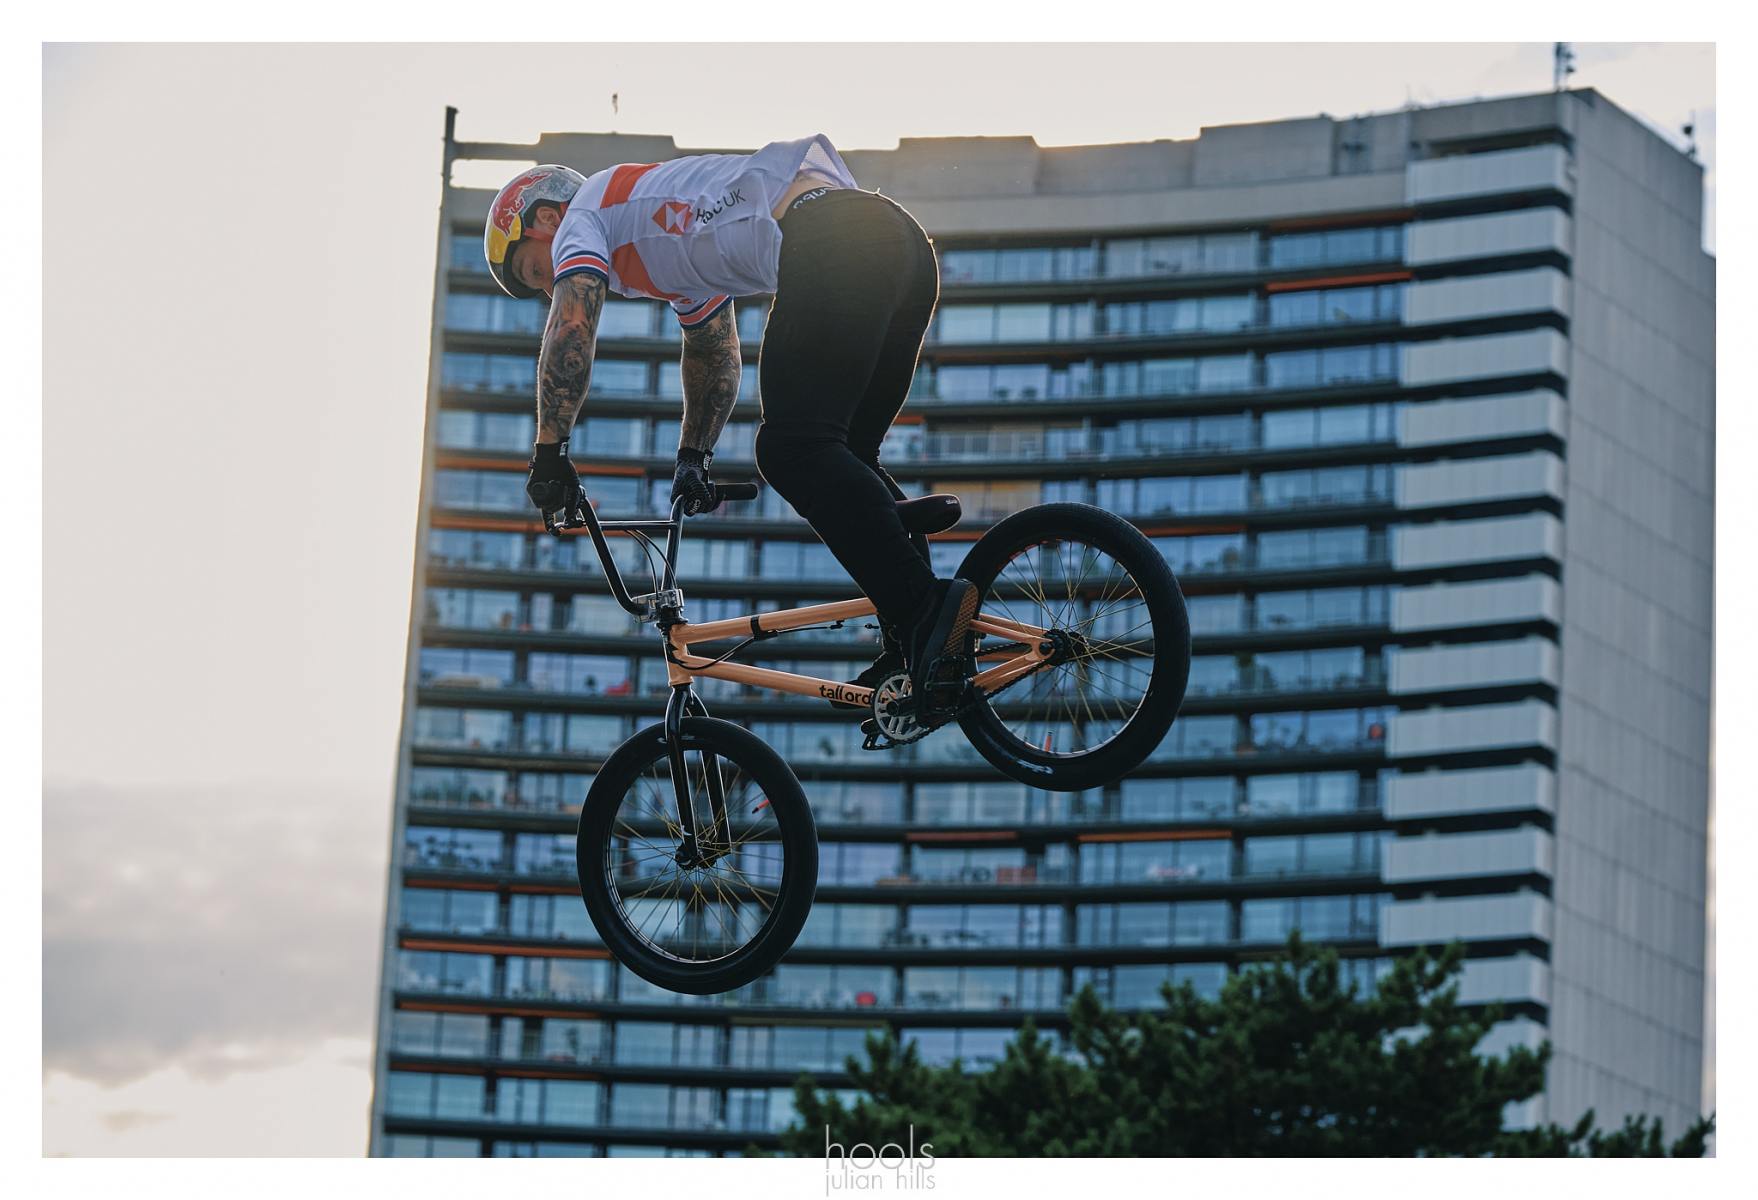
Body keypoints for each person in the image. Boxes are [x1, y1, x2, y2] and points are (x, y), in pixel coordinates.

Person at [483, 134, 976, 716]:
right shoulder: (657, 233)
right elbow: (713, 351)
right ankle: (924, 644)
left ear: (546, 219)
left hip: (836, 240)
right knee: (846, 459)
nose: (549, 288)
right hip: (900, 247)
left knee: (792, 449)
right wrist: (694, 457)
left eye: (536, 269)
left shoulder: (584, 214)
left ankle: (924, 609)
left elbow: (571, 327)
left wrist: (549, 453)